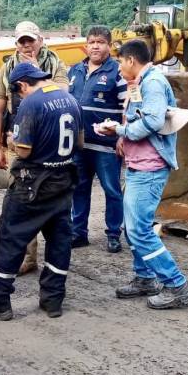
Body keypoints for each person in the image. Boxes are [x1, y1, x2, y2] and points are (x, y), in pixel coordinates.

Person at [0, 62, 81, 321]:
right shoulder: (70, 99)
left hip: (32, 184)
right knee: (59, 241)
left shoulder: (31, 104)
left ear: (21, 85)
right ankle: (53, 300)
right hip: (63, 181)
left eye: (17, 92)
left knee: (10, 239)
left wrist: (9, 140)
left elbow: (23, 150)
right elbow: (80, 142)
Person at [96, 39, 188, 309]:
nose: (118, 68)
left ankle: (175, 284)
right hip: (139, 167)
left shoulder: (152, 83)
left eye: (119, 62)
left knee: (139, 230)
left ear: (130, 60)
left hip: (149, 170)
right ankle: (145, 278)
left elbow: (152, 120)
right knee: (133, 228)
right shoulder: (143, 82)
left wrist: (119, 130)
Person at [0, 20, 70, 275]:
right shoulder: (7, 67)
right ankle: (28, 256)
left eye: (31, 40)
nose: (26, 45)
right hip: (18, 138)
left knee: (50, 197)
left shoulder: (54, 62)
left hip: (47, 140)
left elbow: (64, 93)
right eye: (22, 41)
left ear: (41, 40)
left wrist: (35, 72)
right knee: (21, 196)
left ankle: (54, 258)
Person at [66, 26, 127, 253]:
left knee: (112, 190)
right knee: (79, 189)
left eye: (100, 42)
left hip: (106, 147)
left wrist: (122, 137)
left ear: (109, 46)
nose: (95, 46)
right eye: (91, 41)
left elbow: (127, 108)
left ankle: (113, 234)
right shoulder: (74, 71)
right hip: (79, 145)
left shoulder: (117, 72)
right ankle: (78, 233)